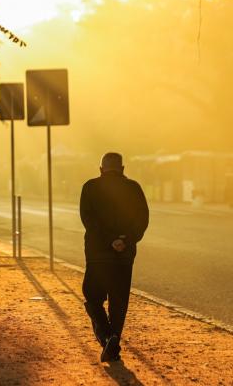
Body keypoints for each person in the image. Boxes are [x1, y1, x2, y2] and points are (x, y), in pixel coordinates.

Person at [80, 152, 149, 362]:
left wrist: (109, 239)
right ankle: (114, 339)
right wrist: (125, 241)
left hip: (98, 255)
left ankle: (107, 336)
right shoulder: (134, 188)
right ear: (123, 169)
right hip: (123, 257)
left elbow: (88, 220)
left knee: (92, 297)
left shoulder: (90, 187)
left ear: (101, 169)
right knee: (119, 303)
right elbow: (142, 219)